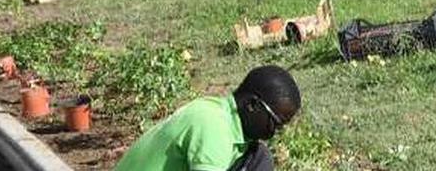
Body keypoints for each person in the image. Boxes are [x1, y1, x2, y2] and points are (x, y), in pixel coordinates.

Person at [114, 65, 300, 171]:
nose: (274, 132)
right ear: (252, 105)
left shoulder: (218, 112)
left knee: (259, 159)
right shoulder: (213, 127)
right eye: (275, 123)